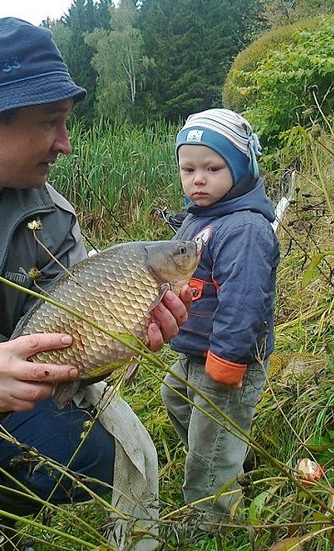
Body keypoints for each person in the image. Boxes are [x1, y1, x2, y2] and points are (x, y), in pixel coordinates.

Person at [0, 17, 191, 551]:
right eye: (51, 122)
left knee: (95, 455)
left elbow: (76, 340)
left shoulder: (52, 216)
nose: (66, 144)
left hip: (11, 399)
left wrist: (124, 333)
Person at [161, 108, 280, 537]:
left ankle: (213, 526)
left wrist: (228, 359)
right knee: (174, 397)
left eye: (212, 168)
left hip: (227, 358)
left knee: (208, 452)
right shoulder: (198, 218)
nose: (198, 179)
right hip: (194, 350)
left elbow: (245, 300)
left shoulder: (245, 228)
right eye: (188, 168)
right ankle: (230, 459)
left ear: (241, 167)